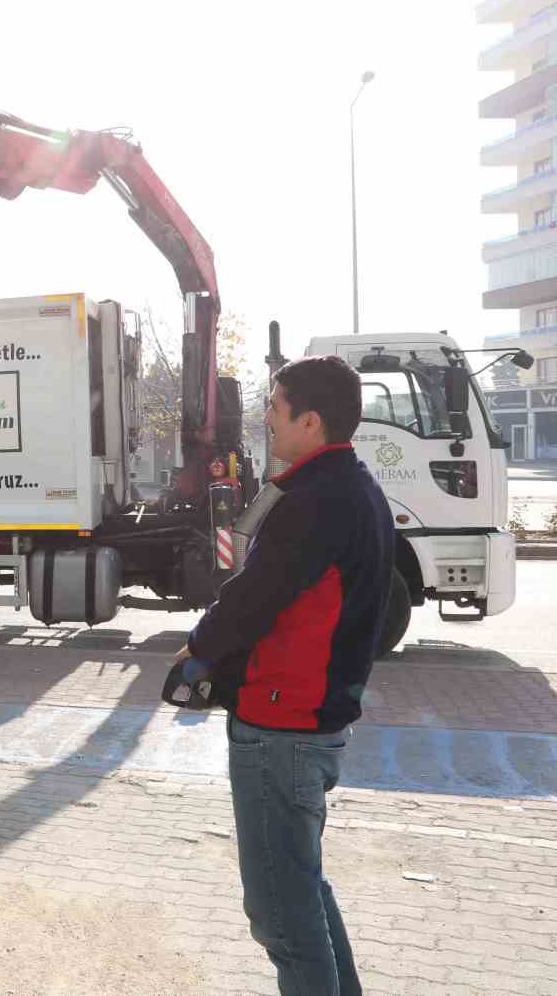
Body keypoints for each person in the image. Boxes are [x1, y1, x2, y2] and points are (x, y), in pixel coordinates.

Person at [174, 355, 393, 996]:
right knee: (304, 888)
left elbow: (253, 598)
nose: (267, 418)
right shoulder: (354, 487)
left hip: (283, 727)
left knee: (281, 915)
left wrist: (198, 646)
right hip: (309, 721)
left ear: (311, 420)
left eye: (275, 406)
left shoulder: (316, 499)